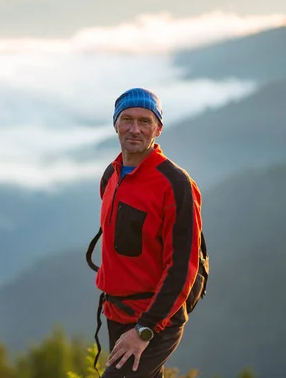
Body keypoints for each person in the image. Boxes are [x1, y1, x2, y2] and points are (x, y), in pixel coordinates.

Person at [92, 87, 205, 378]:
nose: (134, 129)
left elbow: (182, 267)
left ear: (159, 128)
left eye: (145, 121)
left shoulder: (175, 184)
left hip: (155, 320)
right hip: (116, 312)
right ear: (115, 124)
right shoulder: (112, 175)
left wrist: (145, 329)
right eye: (127, 119)